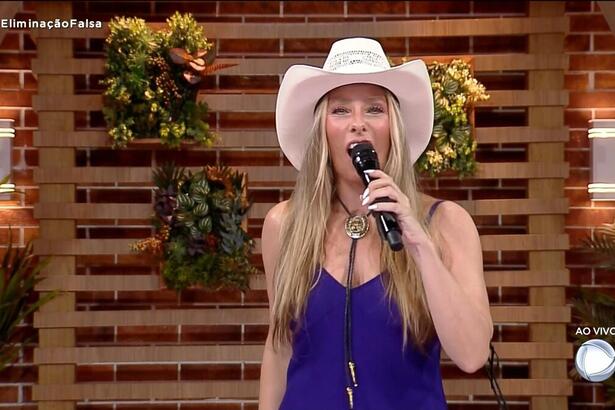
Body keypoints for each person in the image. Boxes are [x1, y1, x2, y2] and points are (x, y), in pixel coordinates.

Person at [258, 37, 493, 410]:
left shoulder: (446, 223)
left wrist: (420, 246)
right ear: (322, 129)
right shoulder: (283, 224)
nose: (358, 125)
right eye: (340, 111)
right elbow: (279, 347)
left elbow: (472, 354)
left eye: (373, 109)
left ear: (392, 127)